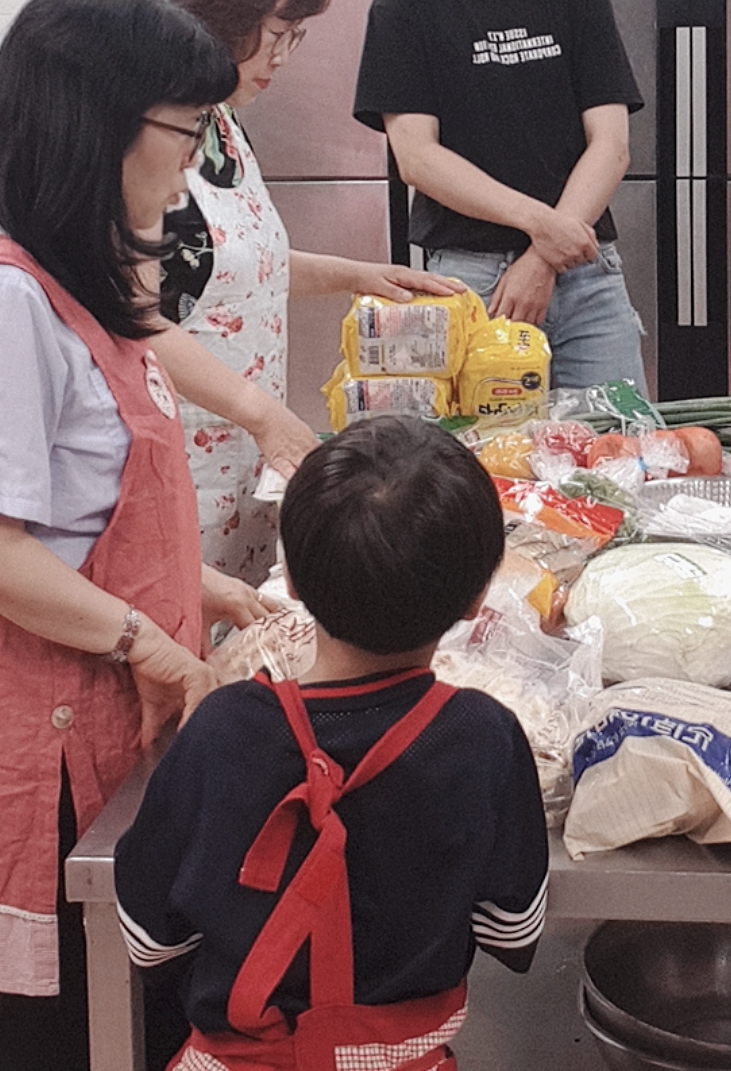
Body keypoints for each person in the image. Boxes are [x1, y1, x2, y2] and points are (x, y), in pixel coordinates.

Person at [0, 0, 276, 1071]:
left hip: (110, 695)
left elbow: (85, 504)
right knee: (70, 1017)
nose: (197, 159)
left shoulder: (72, 257)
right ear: (98, 122)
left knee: (132, 996)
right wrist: (150, 637)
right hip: (52, 725)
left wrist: (197, 587)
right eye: (188, 130)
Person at [114, 415, 550, 1071]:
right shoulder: (482, 738)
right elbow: (512, 933)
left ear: (290, 584)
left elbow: (150, 944)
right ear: (477, 599)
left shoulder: (220, 728)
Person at [142, 0, 463, 582]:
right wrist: (261, 414)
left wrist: (359, 275)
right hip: (178, 478)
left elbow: (234, 269)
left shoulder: (222, 121)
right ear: (221, 16)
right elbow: (130, 321)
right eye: (277, 31)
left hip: (246, 475)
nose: (284, 56)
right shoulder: (147, 134)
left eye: (296, 37)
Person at [354, 0, 649, 392]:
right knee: (485, 466)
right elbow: (418, 157)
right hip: (469, 278)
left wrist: (544, 254)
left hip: (586, 274)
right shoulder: (407, 4)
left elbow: (611, 145)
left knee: (619, 454)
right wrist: (541, 225)